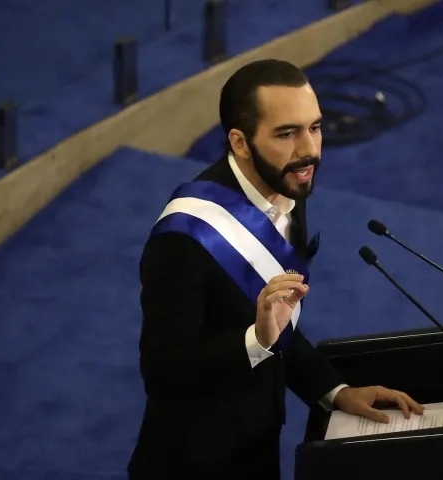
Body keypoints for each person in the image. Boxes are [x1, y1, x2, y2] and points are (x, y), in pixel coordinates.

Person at [127, 59, 423, 480]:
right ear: (241, 142)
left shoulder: (288, 183)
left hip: (260, 447)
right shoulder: (184, 238)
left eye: (315, 128)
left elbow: (280, 328)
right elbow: (164, 376)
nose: (310, 150)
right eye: (287, 133)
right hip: (193, 463)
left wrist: (334, 391)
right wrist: (256, 339)